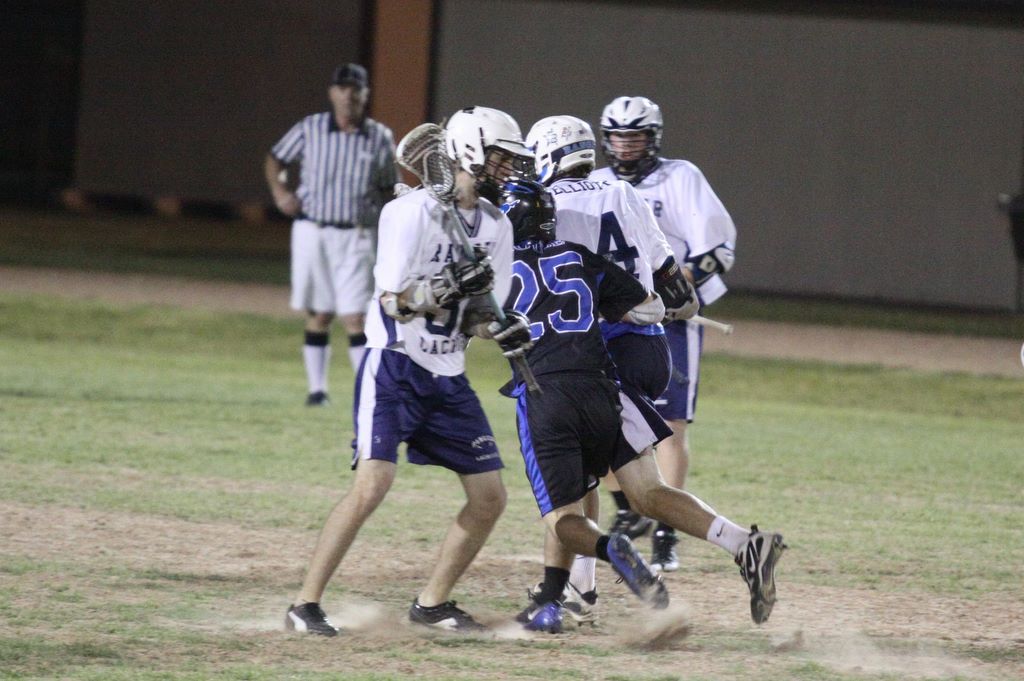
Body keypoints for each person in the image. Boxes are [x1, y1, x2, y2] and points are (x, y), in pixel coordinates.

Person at [284, 106, 531, 636]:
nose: (508, 168)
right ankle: (305, 604)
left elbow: (480, 317)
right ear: (469, 151)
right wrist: (447, 286)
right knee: (373, 484)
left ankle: (432, 604)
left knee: (490, 498)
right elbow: (393, 302)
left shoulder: (496, 224)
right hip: (395, 363)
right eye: (501, 157)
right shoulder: (411, 212)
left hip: (449, 372)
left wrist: (502, 328)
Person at [496, 180, 785, 634]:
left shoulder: (500, 268)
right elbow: (655, 303)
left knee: (567, 509)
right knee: (645, 491)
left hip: (558, 387)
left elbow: (469, 320)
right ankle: (743, 545)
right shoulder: (585, 245)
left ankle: (565, 594)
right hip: (609, 377)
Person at [522, 115, 699, 619]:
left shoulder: (545, 204)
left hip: (588, 355)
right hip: (650, 348)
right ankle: (579, 589)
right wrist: (673, 303)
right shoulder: (622, 192)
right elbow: (672, 284)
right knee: (595, 474)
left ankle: (564, 590)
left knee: (574, 482)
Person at [591, 96, 737, 573]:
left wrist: (674, 288)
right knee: (598, 419)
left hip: (670, 319)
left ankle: (666, 532)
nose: (625, 147)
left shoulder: (680, 177)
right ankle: (629, 508)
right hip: (611, 320)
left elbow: (717, 247)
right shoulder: (596, 183)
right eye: (618, 138)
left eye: (634, 138)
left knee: (670, 426)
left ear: (652, 138)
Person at [264, 63, 397, 406]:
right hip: (314, 230)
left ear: (366, 94)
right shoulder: (310, 128)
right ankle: (317, 390)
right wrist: (280, 193)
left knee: (356, 316)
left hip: (358, 234)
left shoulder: (379, 137)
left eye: (356, 89)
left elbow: (388, 188)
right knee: (319, 313)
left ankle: (368, 393)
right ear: (332, 92)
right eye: (343, 88)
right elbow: (276, 159)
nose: (348, 95)